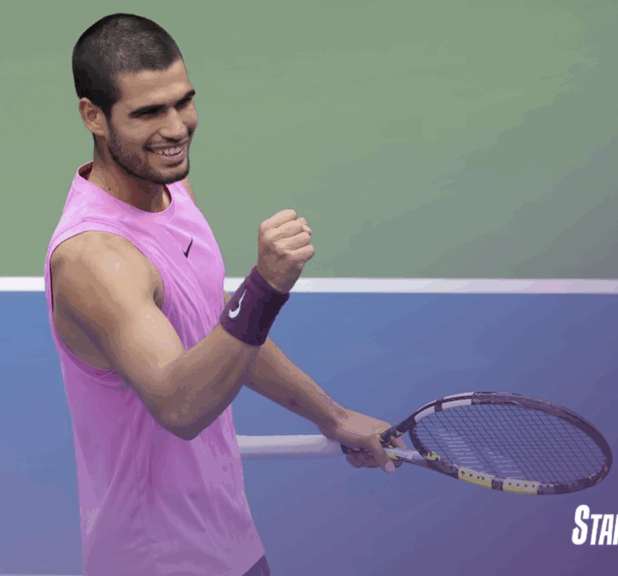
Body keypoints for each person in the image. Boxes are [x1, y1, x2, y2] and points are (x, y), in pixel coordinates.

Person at [43, 13, 406, 576]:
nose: (176, 128)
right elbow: (181, 406)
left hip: (224, 539)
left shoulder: (171, 191)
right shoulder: (96, 260)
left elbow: (215, 330)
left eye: (183, 102)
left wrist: (331, 416)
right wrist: (265, 287)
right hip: (157, 559)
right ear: (93, 116)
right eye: (148, 112)